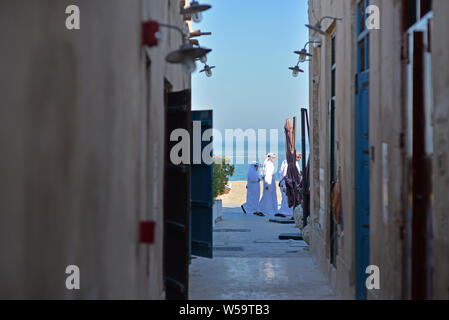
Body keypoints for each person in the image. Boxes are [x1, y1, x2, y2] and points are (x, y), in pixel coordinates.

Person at [277, 153, 302, 218]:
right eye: (298, 157)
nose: (299, 158)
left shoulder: (295, 163)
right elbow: (285, 175)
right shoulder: (289, 163)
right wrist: (285, 186)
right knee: (287, 199)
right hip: (287, 185)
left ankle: (288, 212)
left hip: (292, 185)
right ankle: (286, 212)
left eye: (300, 157)